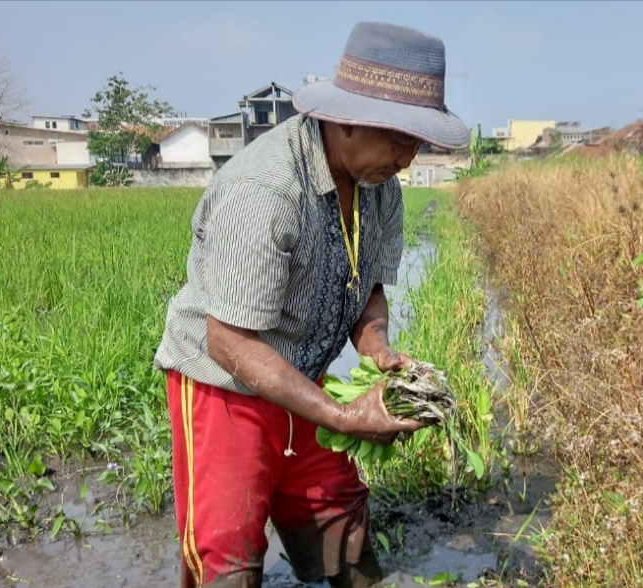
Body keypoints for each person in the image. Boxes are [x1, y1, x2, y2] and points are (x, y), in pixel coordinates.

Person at [152, 21, 470, 588]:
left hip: (298, 377)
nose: (409, 155)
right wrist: (347, 416)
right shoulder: (267, 188)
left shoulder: (379, 187)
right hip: (224, 388)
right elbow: (230, 342)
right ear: (349, 119)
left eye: (419, 141)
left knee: (340, 527)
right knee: (228, 561)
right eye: (400, 138)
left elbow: (368, 286)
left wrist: (377, 347)